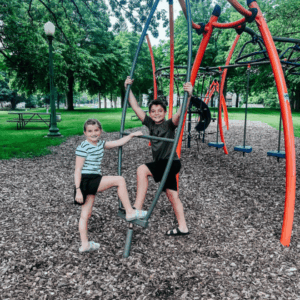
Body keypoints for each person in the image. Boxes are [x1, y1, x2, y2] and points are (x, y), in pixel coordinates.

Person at [124, 77, 193, 236]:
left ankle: (137, 209)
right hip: (164, 164)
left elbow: (180, 113)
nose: (156, 114)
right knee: (172, 195)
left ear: (164, 112)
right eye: (153, 111)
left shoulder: (169, 124)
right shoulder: (149, 123)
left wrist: (188, 96)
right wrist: (128, 89)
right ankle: (183, 227)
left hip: (171, 162)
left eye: (160, 111)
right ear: (150, 113)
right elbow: (135, 107)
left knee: (142, 170)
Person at [74, 118, 147, 253]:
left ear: (100, 131)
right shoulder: (83, 147)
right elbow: (77, 170)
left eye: (96, 130)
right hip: (86, 180)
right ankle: (130, 212)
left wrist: (130, 135)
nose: (93, 133)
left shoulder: (100, 144)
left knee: (86, 214)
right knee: (119, 180)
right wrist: (78, 190)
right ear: (85, 133)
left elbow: (116, 143)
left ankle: (85, 244)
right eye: (90, 131)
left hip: (92, 180)